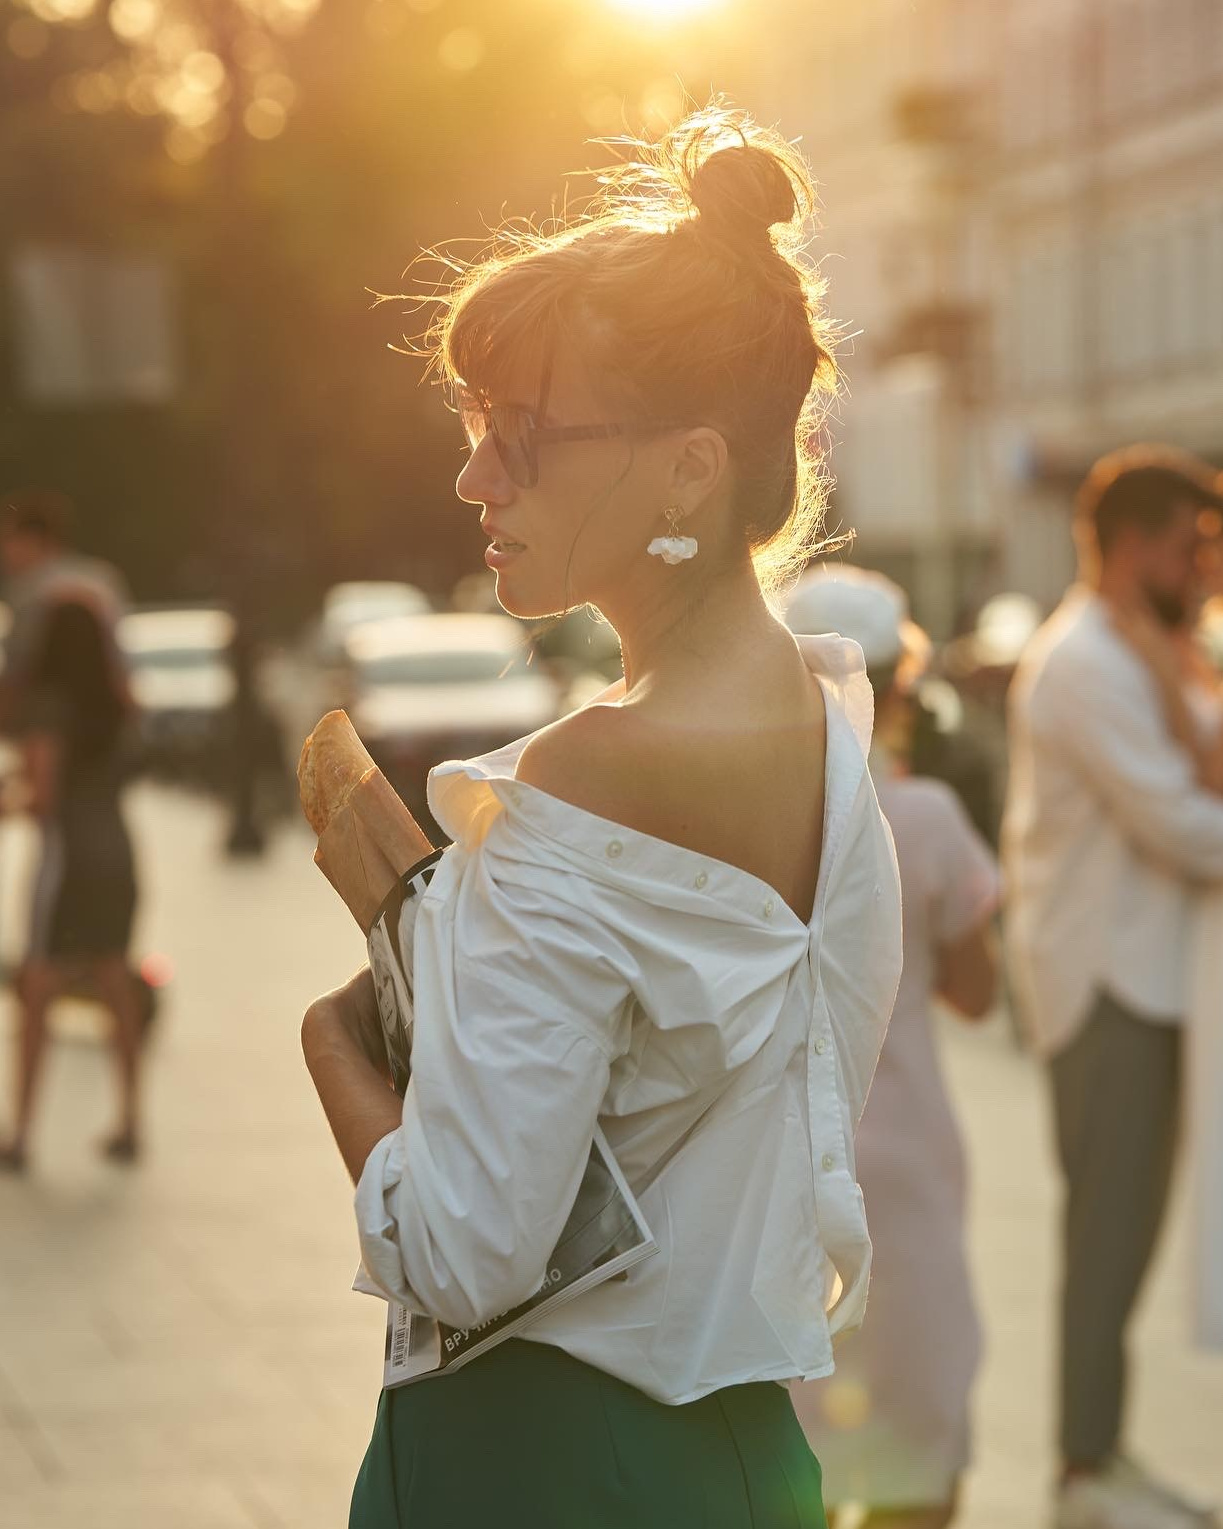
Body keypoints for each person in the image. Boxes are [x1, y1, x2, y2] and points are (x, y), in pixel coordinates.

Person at [300, 107, 903, 1529]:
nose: (474, 477)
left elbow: (462, 1251)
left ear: (689, 468)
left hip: (532, 1463)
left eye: (518, 437)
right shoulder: (825, 732)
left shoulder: (571, 790)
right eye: (471, 428)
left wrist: (332, 1047)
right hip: (744, 1457)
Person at [1003, 445, 1223, 1529]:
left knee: (1123, 1229)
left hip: (1145, 975)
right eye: (1192, 544)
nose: (1207, 566)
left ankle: (1100, 1452)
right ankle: (1083, 1471)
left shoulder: (1151, 650)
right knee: (1107, 1231)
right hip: (1104, 980)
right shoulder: (1083, 660)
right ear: (1132, 542)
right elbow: (1180, 824)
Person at [786, 566, 1000, 1529]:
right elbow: (976, 992)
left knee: (796, 1444)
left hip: (779, 1163)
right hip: (905, 1163)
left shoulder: (739, 819)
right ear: (899, 687)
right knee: (918, 1438)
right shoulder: (925, 818)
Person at [0, 596, 143, 1171]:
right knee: (115, 979)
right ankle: (131, 1119)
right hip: (117, 850)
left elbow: (44, 796)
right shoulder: (117, 703)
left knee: (37, 988)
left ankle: (22, 1132)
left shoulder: (48, 707)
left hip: (67, 858)